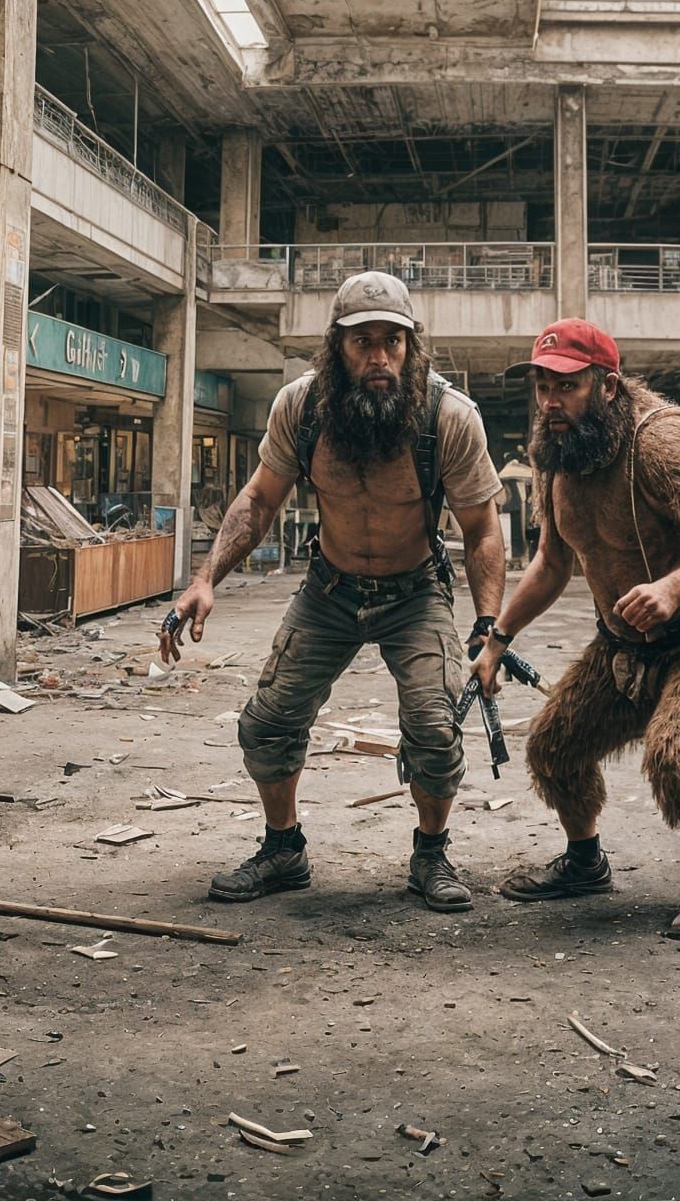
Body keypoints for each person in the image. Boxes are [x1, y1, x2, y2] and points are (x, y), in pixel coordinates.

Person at [159, 272, 505, 913]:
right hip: (329, 589)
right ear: (336, 347)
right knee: (266, 724)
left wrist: (488, 624)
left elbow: (482, 527)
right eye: (363, 342)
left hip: (416, 593)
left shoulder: (447, 416)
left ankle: (431, 855)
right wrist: (205, 579)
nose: (379, 358)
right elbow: (261, 498)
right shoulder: (302, 407)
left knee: (435, 728)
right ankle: (284, 850)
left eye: (392, 342)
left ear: (411, 345)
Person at [469, 321, 680, 939]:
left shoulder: (663, 441)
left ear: (607, 386)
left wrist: (672, 588)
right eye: (540, 386)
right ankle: (586, 864)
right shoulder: (553, 454)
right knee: (552, 747)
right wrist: (496, 639)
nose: (550, 403)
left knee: (678, 754)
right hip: (621, 646)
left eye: (567, 386)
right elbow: (552, 564)